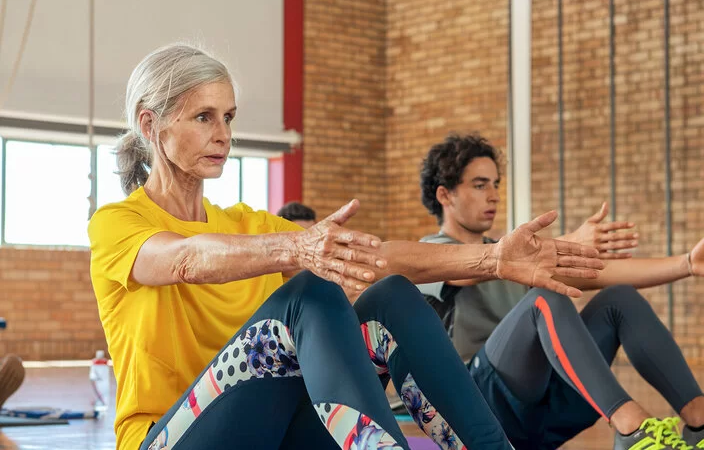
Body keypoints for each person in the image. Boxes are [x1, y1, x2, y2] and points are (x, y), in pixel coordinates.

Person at [87, 44, 602, 450]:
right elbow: (184, 259)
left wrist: (492, 258)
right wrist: (299, 249)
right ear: (150, 124)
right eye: (204, 117)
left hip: (274, 436)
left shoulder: (247, 224)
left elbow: (374, 256)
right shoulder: (117, 224)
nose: (223, 134)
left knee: (392, 297)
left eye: (229, 117)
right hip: (169, 439)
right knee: (309, 294)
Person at [413, 132, 704, 449]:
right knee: (544, 300)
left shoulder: (511, 254)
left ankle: (700, 421)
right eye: (480, 185)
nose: (494, 195)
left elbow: (602, 272)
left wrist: (687, 263)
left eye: (496, 184)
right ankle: (633, 431)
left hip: (540, 411)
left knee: (619, 299)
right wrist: (567, 242)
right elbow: (472, 271)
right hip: (479, 406)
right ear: (445, 195)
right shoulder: (431, 253)